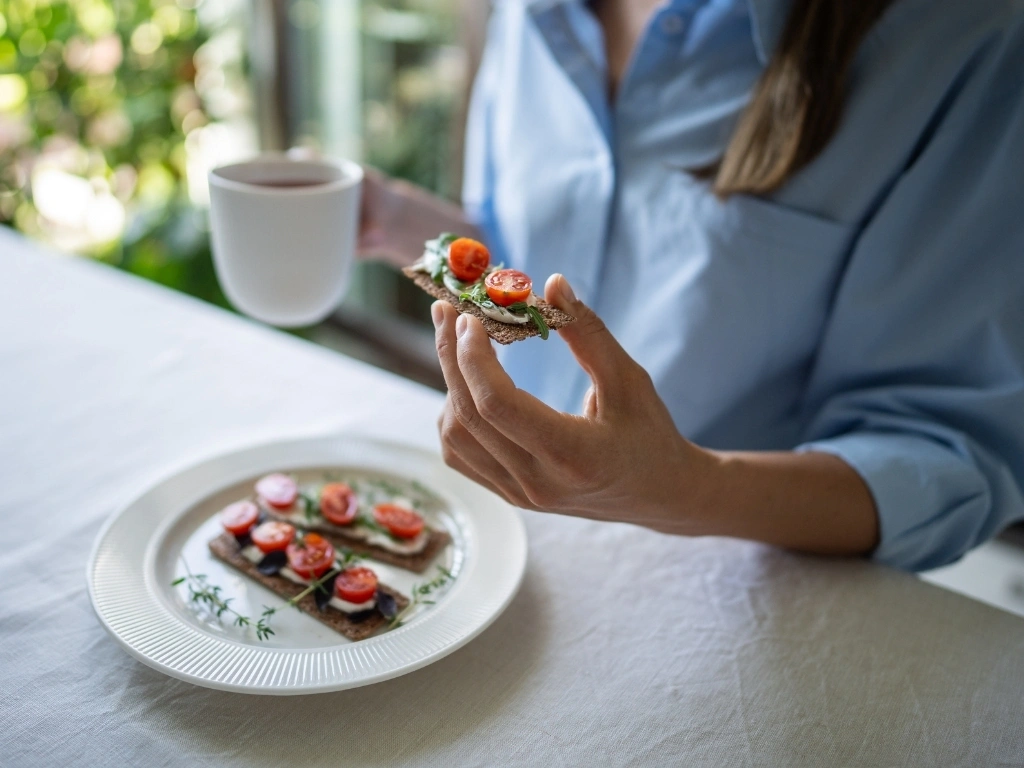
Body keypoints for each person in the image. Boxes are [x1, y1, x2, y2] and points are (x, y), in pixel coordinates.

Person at [357, 0, 1024, 571]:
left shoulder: (962, 38)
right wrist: (391, 221)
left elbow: (947, 448)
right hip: (524, 547)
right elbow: (542, 259)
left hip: (747, 597)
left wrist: (682, 487)